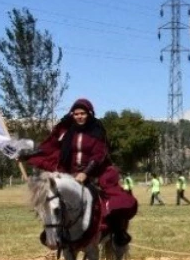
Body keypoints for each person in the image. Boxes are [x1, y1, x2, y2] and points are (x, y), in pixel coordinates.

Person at [19, 97, 138, 247]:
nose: (79, 116)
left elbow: (99, 154)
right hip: (70, 172)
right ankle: (53, 231)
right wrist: (27, 156)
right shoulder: (67, 130)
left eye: (82, 113)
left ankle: (117, 231)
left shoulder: (97, 130)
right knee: (53, 199)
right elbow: (49, 147)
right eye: (76, 114)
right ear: (72, 115)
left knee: (115, 199)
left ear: (89, 113)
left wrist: (86, 172)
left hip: (95, 171)